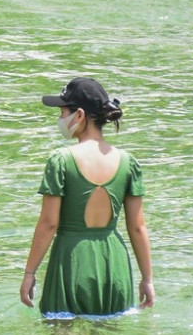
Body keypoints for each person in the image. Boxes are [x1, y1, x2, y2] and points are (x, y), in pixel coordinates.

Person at [21, 77, 154, 319]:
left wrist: (30, 273)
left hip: (71, 262)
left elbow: (49, 223)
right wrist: (147, 279)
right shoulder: (128, 162)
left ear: (79, 115)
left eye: (63, 112)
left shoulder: (60, 160)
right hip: (114, 265)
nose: (60, 120)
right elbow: (137, 226)